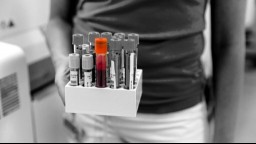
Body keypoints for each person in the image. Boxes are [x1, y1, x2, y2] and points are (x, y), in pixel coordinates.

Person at [46, 0, 246, 143]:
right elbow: (57, 20)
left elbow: (229, 43)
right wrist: (62, 60)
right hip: (91, 111)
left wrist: (224, 138)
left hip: (173, 119)